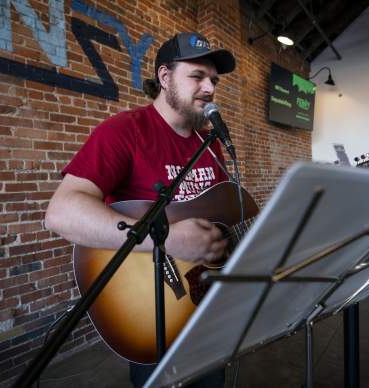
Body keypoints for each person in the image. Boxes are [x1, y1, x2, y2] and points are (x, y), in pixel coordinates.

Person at [45, 32, 236, 388]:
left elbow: (217, 216)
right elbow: (62, 212)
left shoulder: (210, 143)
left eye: (213, 80)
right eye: (197, 76)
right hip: (150, 309)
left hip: (205, 306)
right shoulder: (123, 132)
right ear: (165, 77)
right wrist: (166, 239)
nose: (209, 87)